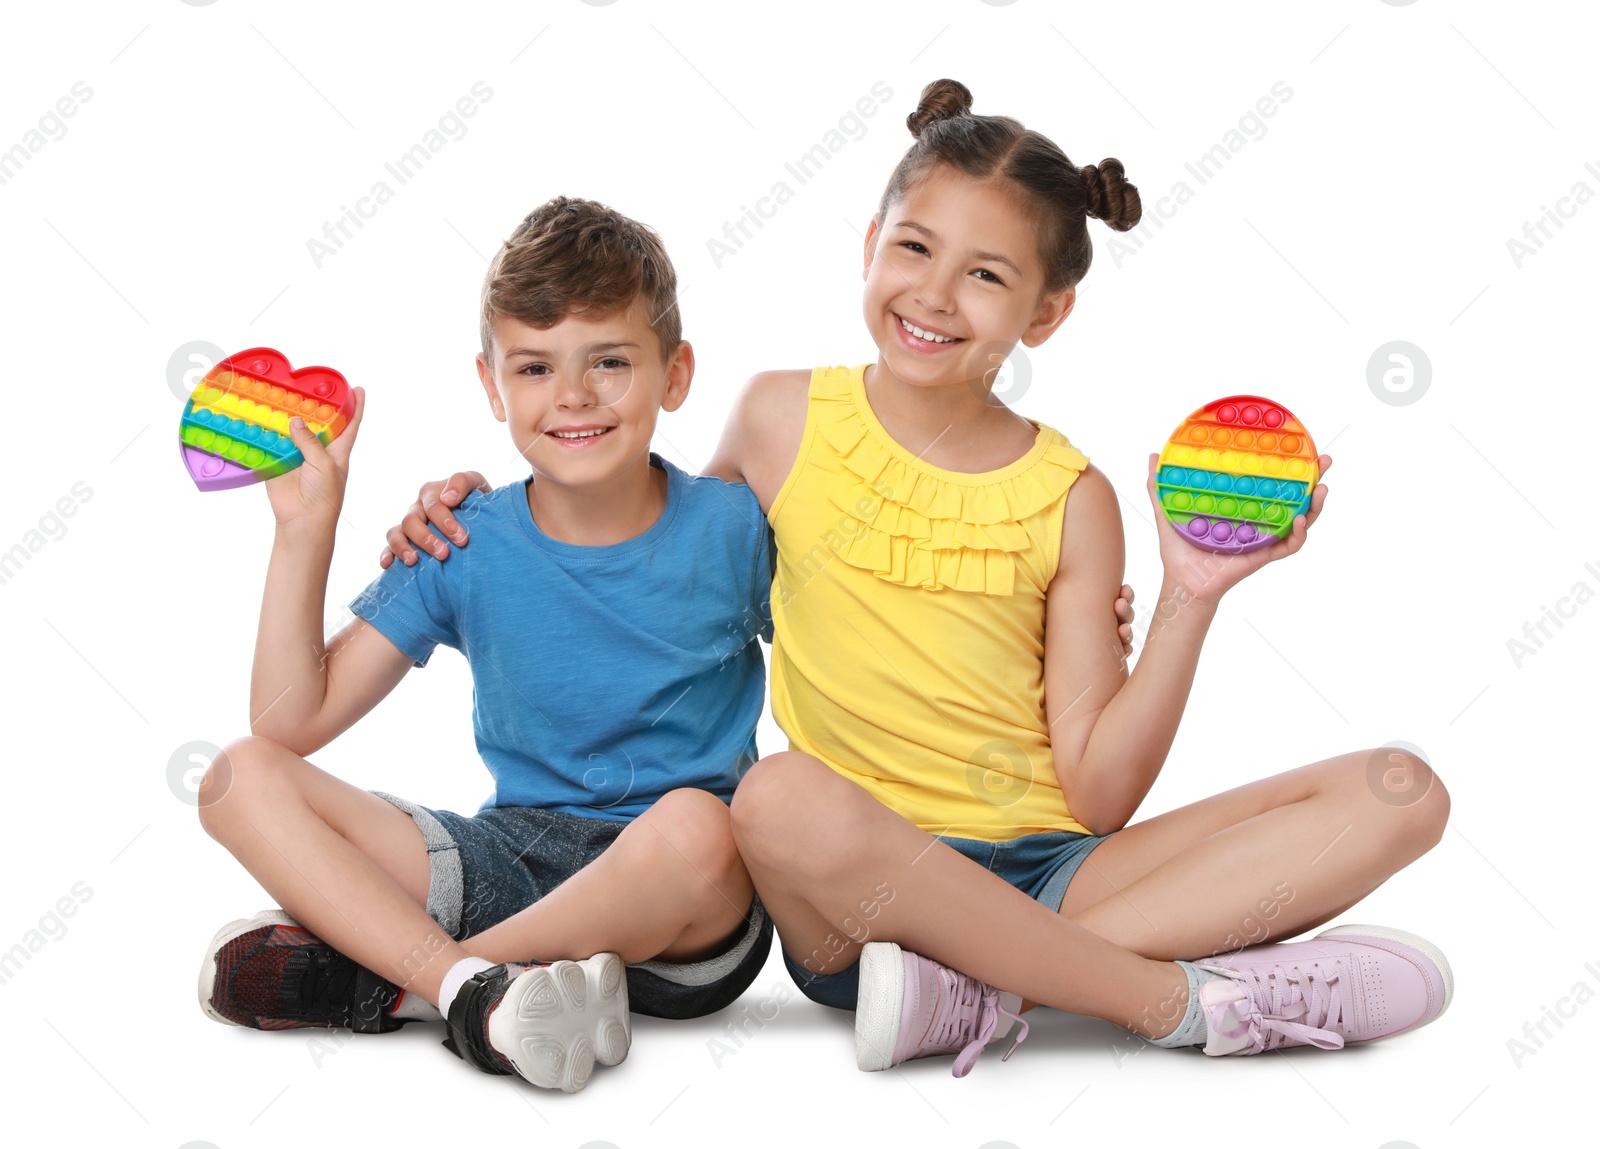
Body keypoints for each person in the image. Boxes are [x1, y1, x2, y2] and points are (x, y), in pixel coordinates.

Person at [381, 80, 1452, 1077]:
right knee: (776, 794)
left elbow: (1098, 792)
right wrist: (489, 514)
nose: (934, 295)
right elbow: (654, 564)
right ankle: (1176, 1003)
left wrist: (1188, 596)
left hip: (1053, 869)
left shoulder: (1073, 497)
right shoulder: (780, 418)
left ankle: (978, 987)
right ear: (868, 248)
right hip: (856, 900)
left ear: (1044, 314)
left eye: (985, 275)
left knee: (1399, 790)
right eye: (915, 248)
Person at [194, 197, 777, 1092]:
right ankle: (478, 990)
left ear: (676, 372)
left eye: (610, 362)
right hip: (511, 862)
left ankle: (417, 982)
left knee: (703, 823)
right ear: (492, 384)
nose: (574, 395)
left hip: (688, 908)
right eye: (536, 367)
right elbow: (287, 722)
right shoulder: (463, 541)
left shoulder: (738, 527)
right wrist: (306, 530)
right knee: (237, 774)